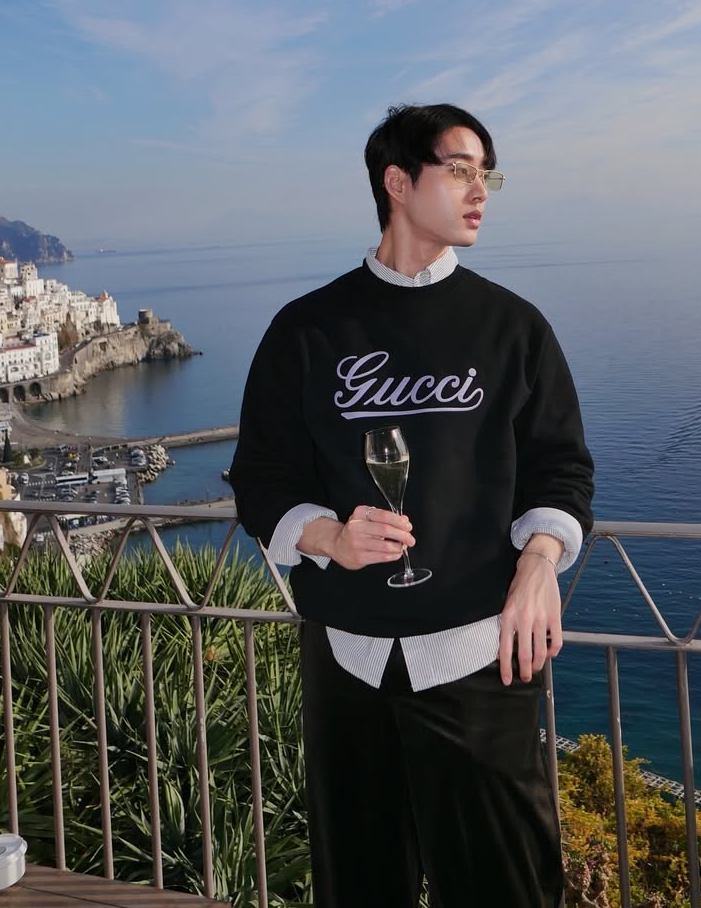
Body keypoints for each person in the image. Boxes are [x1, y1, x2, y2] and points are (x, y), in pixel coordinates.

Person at [229, 103, 594, 908]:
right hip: (344, 663)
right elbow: (260, 477)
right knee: (359, 888)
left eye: (486, 174)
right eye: (459, 170)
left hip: (481, 659)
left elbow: (561, 469)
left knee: (505, 889)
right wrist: (327, 535)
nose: (480, 191)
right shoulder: (307, 331)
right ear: (397, 183)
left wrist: (540, 562)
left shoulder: (513, 328)